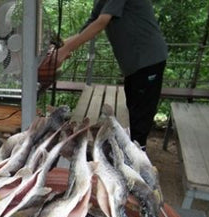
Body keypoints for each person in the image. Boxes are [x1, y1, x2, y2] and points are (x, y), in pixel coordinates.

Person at [55, 0, 168, 150]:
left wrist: (65, 50)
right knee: (134, 112)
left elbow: (102, 22)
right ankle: (129, 156)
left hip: (148, 59)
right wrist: (60, 47)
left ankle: (137, 163)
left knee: (139, 119)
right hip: (133, 65)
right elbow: (91, 24)